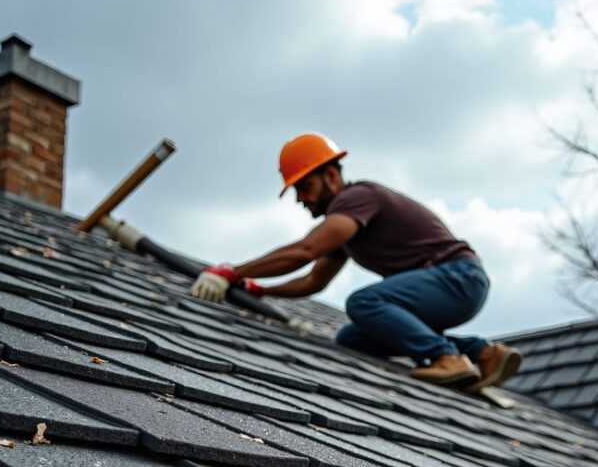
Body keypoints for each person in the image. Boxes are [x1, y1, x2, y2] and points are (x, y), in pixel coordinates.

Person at [191, 133, 521, 389]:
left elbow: (306, 251)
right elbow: (313, 281)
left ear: (331, 176)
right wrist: (259, 289)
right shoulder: (348, 230)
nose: (300, 199)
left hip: (457, 277)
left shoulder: (356, 198)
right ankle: (483, 353)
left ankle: (446, 357)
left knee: (363, 301)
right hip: (452, 285)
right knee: (352, 338)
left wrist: (231, 272)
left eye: (304, 186)